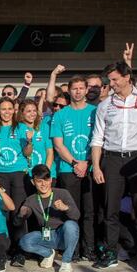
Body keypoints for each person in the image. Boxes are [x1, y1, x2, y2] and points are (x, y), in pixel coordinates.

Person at [91, 61, 137, 271]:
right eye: (109, 80)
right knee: (110, 209)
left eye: (114, 79)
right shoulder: (105, 105)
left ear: (126, 77)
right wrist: (96, 166)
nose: (111, 84)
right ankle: (111, 253)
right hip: (112, 158)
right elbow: (97, 139)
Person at [51, 74, 98, 261]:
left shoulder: (95, 111)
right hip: (67, 169)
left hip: (91, 168)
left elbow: (100, 141)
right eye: (74, 88)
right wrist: (74, 163)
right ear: (68, 91)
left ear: (86, 90)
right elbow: (58, 144)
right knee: (71, 211)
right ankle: (73, 249)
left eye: (81, 88)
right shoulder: (60, 115)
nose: (78, 92)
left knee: (89, 211)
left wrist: (87, 162)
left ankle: (89, 249)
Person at [16, 165, 80, 272]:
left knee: (71, 225)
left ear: (51, 180)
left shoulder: (62, 193)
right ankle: (48, 254)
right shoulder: (31, 200)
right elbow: (18, 222)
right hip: (46, 236)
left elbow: (77, 215)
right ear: (33, 182)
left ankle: (66, 262)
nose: (43, 184)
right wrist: (22, 214)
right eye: (39, 181)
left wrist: (66, 208)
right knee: (24, 242)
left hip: (62, 235)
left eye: (46, 180)